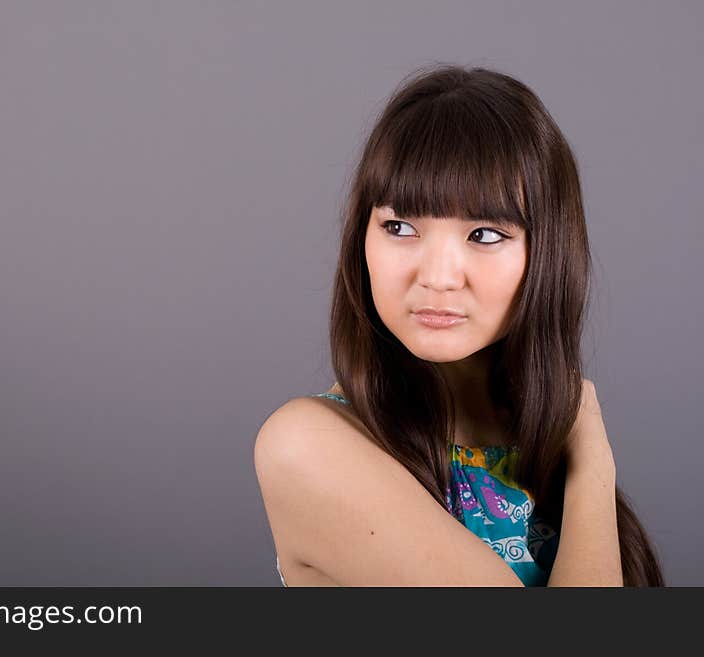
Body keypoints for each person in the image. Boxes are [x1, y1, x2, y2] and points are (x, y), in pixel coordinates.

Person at [253, 64, 664, 587]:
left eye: (485, 234)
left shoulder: (541, 440)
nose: (438, 277)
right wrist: (594, 461)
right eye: (400, 227)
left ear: (549, 254)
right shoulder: (308, 444)